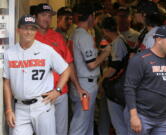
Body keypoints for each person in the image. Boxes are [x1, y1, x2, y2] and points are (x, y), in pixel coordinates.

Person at [3, 15, 70, 135]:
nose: (29, 32)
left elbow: (66, 70)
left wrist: (58, 90)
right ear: (18, 30)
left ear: (36, 31)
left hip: (42, 106)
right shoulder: (10, 53)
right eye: (25, 28)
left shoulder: (46, 50)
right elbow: (6, 83)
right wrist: (8, 110)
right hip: (20, 108)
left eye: (32, 29)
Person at [33, 3, 88, 135]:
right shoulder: (30, 36)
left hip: (60, 92)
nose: (47, 19)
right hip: (41, 95)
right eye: (43, 15)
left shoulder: (58, 37)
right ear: (35, 17)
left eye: (49, 16)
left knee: (61, 131)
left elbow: (69, 64)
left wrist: (78, 87)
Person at [124, 25, 166, 135]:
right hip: (141, 116)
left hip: (163, 119)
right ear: (158, 40)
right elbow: (129, 88)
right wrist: (134, 116)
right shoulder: (140, 60)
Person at [68, 3, 111, 135]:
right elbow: (91, 64)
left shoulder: (75, 34)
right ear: (91, 17)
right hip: (85, 84)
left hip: (79, 82)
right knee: (80, 125)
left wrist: (97, 51)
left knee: (86, 125)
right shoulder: (84, 35)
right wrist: (105, 53)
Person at [101, 16, 128, 135]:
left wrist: (101, 81)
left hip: (115, 86)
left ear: (105, 30)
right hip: (122, 85)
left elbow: (113, 68)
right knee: (122, 121)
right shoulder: (121, 39)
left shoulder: (117, 43)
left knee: (118, 122)